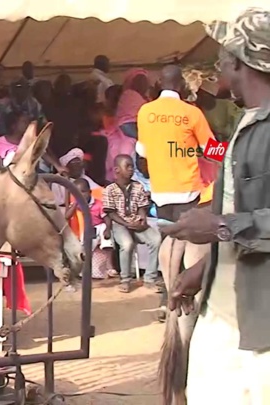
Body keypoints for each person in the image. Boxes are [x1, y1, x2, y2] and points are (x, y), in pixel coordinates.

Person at [162, 9, 270, 403]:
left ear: (239, 62)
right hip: (222, 314)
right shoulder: (242, 123)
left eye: (220, 60)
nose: (216, 70)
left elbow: (233, 220)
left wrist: (219, 226)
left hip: (259, 330)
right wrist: (204, 268)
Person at [136, 64, 214, 223]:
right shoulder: (192, 112)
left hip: (159, 191)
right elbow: (212, 150)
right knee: (186, 242)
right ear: (181, 84)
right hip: (187, 192)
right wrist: (233, 151)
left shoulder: (145, 111)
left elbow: (142, 151)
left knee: (167, 240)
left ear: (160, 82)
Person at [103, 154, 161, 293]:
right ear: (117, 170)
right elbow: (110, 213)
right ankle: (125, 280)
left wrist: (142, 219)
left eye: (132, 166)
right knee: (127, 244)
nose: (131, 169)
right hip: (119, 225)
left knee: (156, 239)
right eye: (127, 166)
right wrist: (126, 223)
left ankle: (150, 278)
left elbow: (142, 207)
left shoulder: (138, 186)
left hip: (136, 223)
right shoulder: (110, 189)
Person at [66, 178, 116, 279]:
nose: (81, 195)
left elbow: (106, 219)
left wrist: (108, 229)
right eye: (77, 193)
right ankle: (83, 270)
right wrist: (75, 204)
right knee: (85, 248)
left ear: (90, 192)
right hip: (87, 230)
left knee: (104, 229)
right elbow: (66, 216)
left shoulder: (98, 204)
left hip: (100, 226)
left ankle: (107, 246)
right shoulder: (76, 204)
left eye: (83, 192)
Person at [116, 68, 150, 139]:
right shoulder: (129, 94)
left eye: (144, 82)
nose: (143, 85)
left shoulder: (135, 95)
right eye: (140, 82)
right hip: (129, 124)